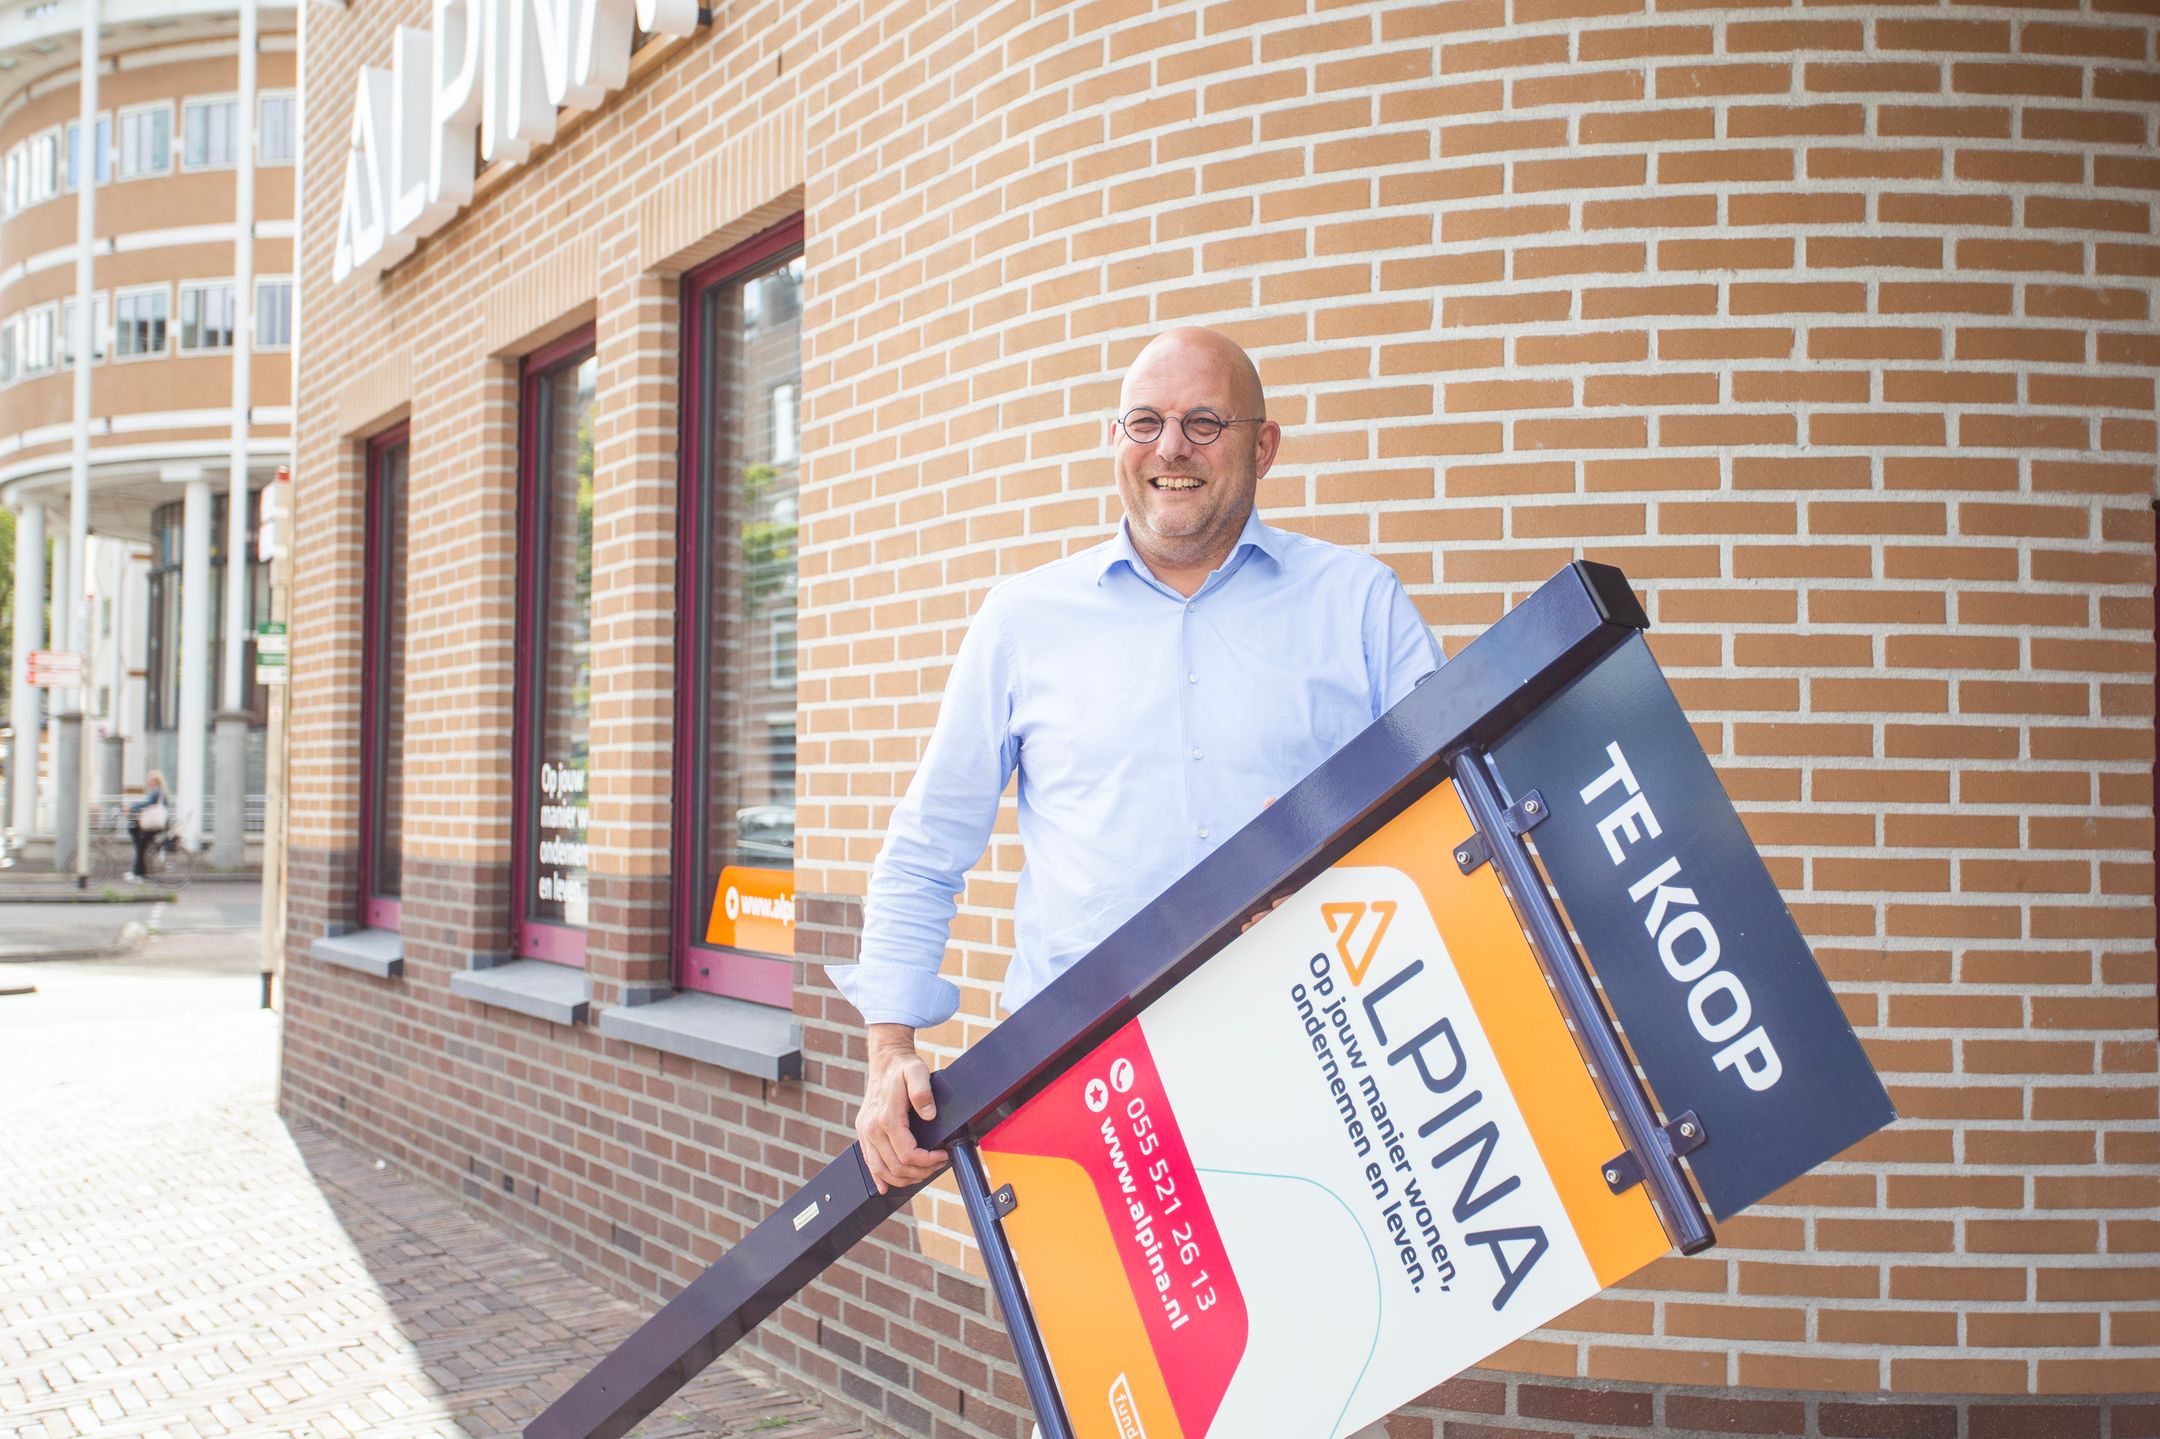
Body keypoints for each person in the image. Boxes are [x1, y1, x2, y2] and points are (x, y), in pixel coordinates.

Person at [835, 326, 1437, 1439]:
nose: (1173, 449)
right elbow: (927, 846)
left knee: (1317, 1397)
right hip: (1085, 1101)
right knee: (1111, 1409)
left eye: (1204, 422)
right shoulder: (1024, 621)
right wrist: (888, 1052)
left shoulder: (1357, 605)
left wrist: (1333, 884)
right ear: (1115, 441)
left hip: (1311, 1077)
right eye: (1145, 423)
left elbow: (1447, 813)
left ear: (1263, 445)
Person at [126, 770, 170, 882]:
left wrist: (132, 806)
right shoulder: (160, 791)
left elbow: (148, 804)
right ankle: (140, 872)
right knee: (140, 846)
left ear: (155, 781)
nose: (148, 782)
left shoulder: (157, 792)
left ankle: (138, 873)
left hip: (154, 825)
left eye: (150, 780)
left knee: (140, 846)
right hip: (157, 825)